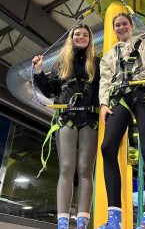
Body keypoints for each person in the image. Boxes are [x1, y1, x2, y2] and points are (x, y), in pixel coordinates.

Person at [97, 13, 145, 229]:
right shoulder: (108, 56)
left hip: (142, 93)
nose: (121, 27)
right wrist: (103, 103)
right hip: (120, 96)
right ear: (114, 29)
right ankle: (114, 218)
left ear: (130, 25)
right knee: (107, 147)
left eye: (124, 24)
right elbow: (104, 81)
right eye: (117, 25)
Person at [32, 24, 100, 229]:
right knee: (67, 168)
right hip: (66, 117)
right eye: (77, 34)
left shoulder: (96, 63)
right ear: (71, 38)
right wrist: (37, 71)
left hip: (89, 118)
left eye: (85, 34)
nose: (80, 37)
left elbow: (102, 90)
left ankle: (82, 223)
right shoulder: (62, 63)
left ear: (90, 39)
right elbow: (51, 91)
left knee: (86, 170)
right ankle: (62, 223)